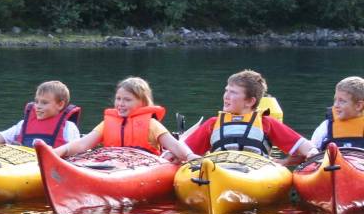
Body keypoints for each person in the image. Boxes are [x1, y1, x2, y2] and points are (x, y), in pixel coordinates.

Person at [54, 77, 199, 161]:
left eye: (127, 100)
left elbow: (173, 145)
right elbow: (82, 144)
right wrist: (57, 152)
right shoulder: (107, 124)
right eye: (118, 99)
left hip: (144, 167)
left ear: (142, 103)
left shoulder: (152, 124)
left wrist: (189, 156)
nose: (120, 104)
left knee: (171, 154)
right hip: (111, 166)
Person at [185, 69, 318, 161]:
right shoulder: (213, 123)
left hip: (254, 172)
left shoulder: (266, 123)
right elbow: (184, 150)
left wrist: (311, 152)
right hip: (219, 169)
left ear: (250, 101)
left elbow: (302, 145)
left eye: (233, 92)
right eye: (226, 91)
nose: (226, 96)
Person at [0, 81, 79, 150]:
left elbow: (75, 153)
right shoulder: (23, 125)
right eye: (36, 101)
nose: (38, 106)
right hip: (23, 170)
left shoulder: (69, 128)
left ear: (60, 105)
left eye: (44, 103)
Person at [310, 76, 364, 150]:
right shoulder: (325, 126)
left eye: (342, 101)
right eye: (335, 100)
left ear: (358, 106)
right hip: (331, 160)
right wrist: (313, 150)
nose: (335, 105)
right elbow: (312, 148)